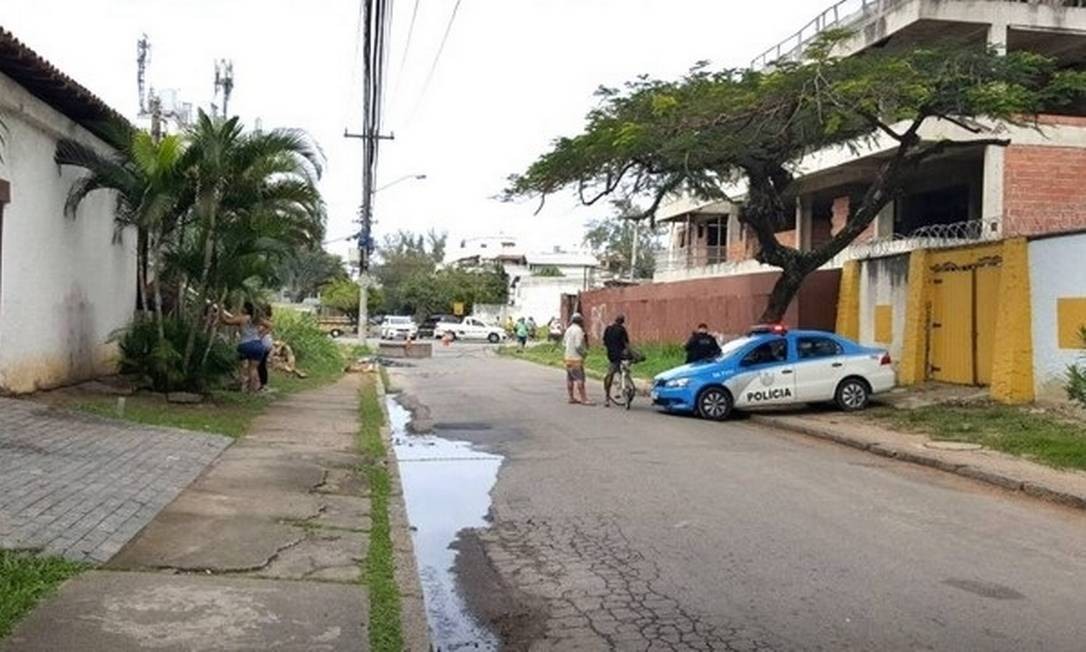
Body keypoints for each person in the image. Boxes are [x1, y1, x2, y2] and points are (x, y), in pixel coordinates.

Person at [219, 301, 271, 393]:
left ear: (246, 309)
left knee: (240, 365)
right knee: (253, 369)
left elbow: (225, 321)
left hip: (245, 345)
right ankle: (251, 390)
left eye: (243, 307)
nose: (241, 308)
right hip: (258, 345)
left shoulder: (242, 319)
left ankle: (240, 383)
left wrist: (221, 310)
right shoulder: (257, 319)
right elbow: (270, 326)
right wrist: (261, 335)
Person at [562, 313, 593, 405]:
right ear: (580, 321)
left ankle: (571, 397)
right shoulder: (578, 330)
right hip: (576, 359)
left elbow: (564, 343)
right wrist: (584, 353)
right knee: (580, 379)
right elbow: (578, 345)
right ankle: (584, 399)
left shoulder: (568, 330)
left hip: (567, 357)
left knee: (570, 379)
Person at [602, 315, 630, 408]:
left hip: (611, 356)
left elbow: (605, 343)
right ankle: (625, 389)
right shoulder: (622, 330)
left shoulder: (608, 329)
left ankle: (607, 398)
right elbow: (626, 344)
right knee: (625, 373)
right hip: (621, 356)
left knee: (610, 375)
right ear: (622, 322)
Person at [257, 304, 275, 391]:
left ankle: (263, 384)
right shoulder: (267, 319)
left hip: (264, 343)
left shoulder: (265, 320)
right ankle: (262, 383)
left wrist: (259, 335)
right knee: (261, 364)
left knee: (261, 364)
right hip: (266, 342)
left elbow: (262, 330)